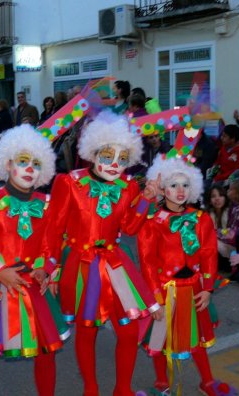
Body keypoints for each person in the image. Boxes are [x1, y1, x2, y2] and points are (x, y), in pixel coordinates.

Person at [45, 111, 161, 396]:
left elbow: (131, 228)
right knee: (87, 330)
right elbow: (52, 229)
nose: (114, 164)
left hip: (113, 262)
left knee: (129, 331)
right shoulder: (69, 182)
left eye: (123, 159)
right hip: (80, 264)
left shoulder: (129, 186)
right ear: (93, 151)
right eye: (108, 155)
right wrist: (50, 268)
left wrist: (146, 199)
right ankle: (91, 389)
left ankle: (122, 389)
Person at [0, 125, 67, 396]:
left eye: (36, 163)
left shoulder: (45, 203)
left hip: (33, 287)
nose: (29, 169)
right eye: (23, 161)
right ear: (7, 164)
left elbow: (52, 245)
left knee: (47, 351)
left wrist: (46, 270)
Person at [137, 157, 235, 396]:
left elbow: (209, 253)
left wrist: (208, 288)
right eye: (173, 185)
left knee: (198, 337)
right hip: (165, 289)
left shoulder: (201, 219)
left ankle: (207, 380)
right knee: (159, 338)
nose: (180, 191)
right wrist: (156, 297)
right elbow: (147, 262)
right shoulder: (152, 223)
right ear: (162, 189)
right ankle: (162, 383)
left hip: (193, 287)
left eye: (185, 185)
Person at [206, 184, 233, 272]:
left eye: (220, 195)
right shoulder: (207, 214)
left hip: (230, 247)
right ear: (209, 200)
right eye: (213, 196)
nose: (217, 199)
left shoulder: (231, 212)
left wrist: (219, 232)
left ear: (225, 197)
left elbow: (230, 233)